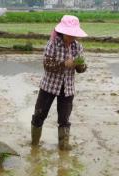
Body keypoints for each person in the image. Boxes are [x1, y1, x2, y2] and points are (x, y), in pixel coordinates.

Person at [30, 15, 87, 151]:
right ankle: (34, 145)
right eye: (70, 34)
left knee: (64, 120)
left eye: (74, 34)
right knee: (39, 115)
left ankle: (63, 147)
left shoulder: (77, 47)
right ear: (63, 32)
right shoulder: (53, 43)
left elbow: (82, 69)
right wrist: (64, 64)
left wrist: (79, 65)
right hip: (49, 87)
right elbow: (47, 65)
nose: (72, 37)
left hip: (67, 89)